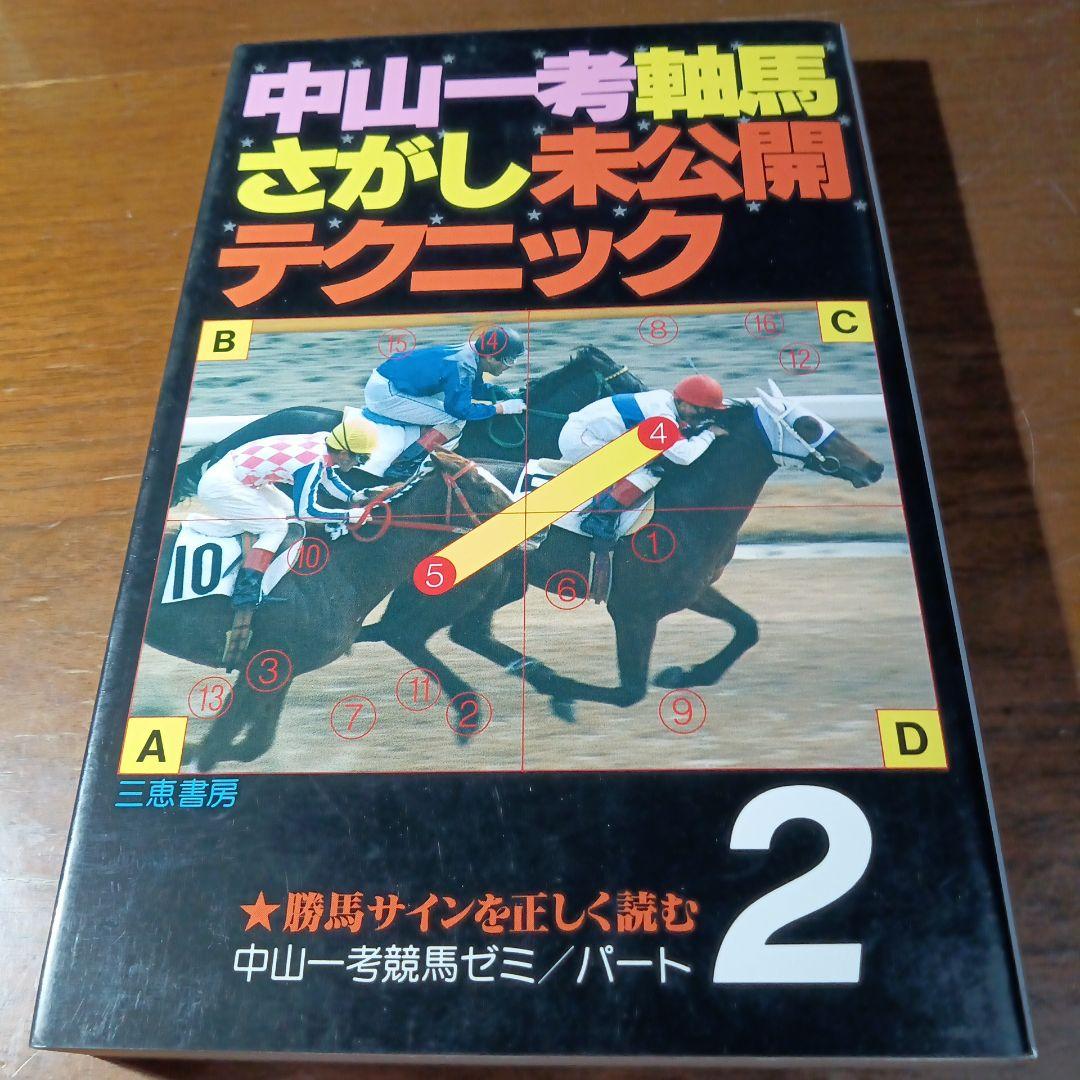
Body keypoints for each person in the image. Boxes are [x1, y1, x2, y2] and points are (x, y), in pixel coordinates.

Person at [196, 415, 378, 613]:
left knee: (289, 512)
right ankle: (246, 592)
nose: (360, 464)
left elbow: (329, 479)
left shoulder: (325, 441)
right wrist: (347, 516)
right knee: (276, 528)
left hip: (237, 475)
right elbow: (306, 512)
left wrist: (353, 496)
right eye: (361, 458)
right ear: (343, 454)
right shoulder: (311, 464)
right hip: (223, 485)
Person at [558, 374, 728, 542]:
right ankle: (600, 517)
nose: (700, 416)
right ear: (681, 402)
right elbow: (684, 457)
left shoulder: (666, 401)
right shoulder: (662, 415)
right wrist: (709, 434)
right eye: (698, 410)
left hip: (589, 432)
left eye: (706, 412)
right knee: (650, 470)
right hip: (581, 440)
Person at [363, 325, 527, 480]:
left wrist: (502, 392)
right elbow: (460, 410)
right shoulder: (463, 365)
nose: (511, 365)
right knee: (454, 420)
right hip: (386, 392)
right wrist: (499, 408)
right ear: (490, 357)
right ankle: (404, 465)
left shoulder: (473, 352)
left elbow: (472, 388)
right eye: (508, 360)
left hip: (393, 381)